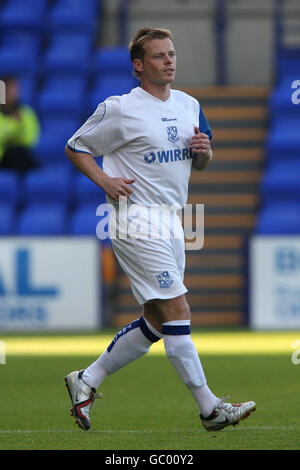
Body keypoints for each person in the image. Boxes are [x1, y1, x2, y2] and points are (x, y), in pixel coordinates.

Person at [64, 27, 256, 432]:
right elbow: (76, 146)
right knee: (178, 309)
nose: (169, 61)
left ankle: (87, 379)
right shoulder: (119, 108)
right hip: (135, 218)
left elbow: (199, 162)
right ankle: (210, 409)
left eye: (171, 54)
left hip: (172, 221)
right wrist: (105, 181)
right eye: (159, 56)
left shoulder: (189, 105)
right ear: (139, 65)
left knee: (155, 319)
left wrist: (204, 154)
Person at [0, 76, 40, 174]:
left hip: (21, 155)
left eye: (15, 90)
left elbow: (29, 140)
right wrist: (13, 126)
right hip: (2, 158)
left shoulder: (26, 113)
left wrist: (19, 126)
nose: (13, 94)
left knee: (20, 154)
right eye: (9, 90)